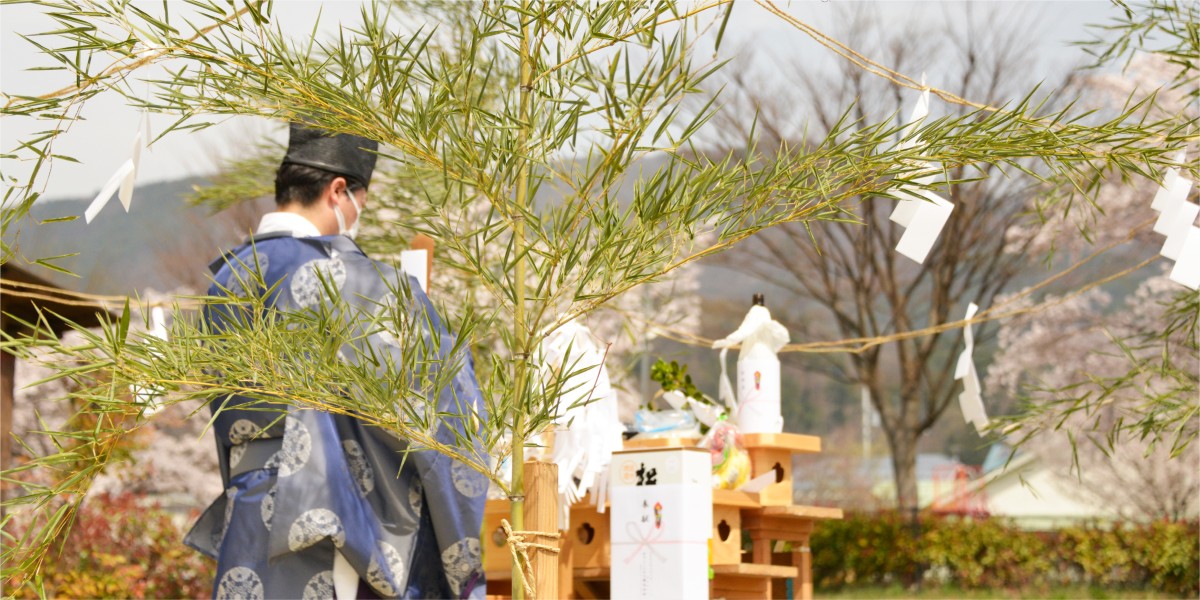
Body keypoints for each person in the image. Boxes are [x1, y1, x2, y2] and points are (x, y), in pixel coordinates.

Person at [186, 122, 489, 599]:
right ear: (339, 190)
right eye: (361, 202)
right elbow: (441, 411)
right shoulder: (350, 280)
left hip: (249, 516)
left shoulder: (227, 279)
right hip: (333, 525)